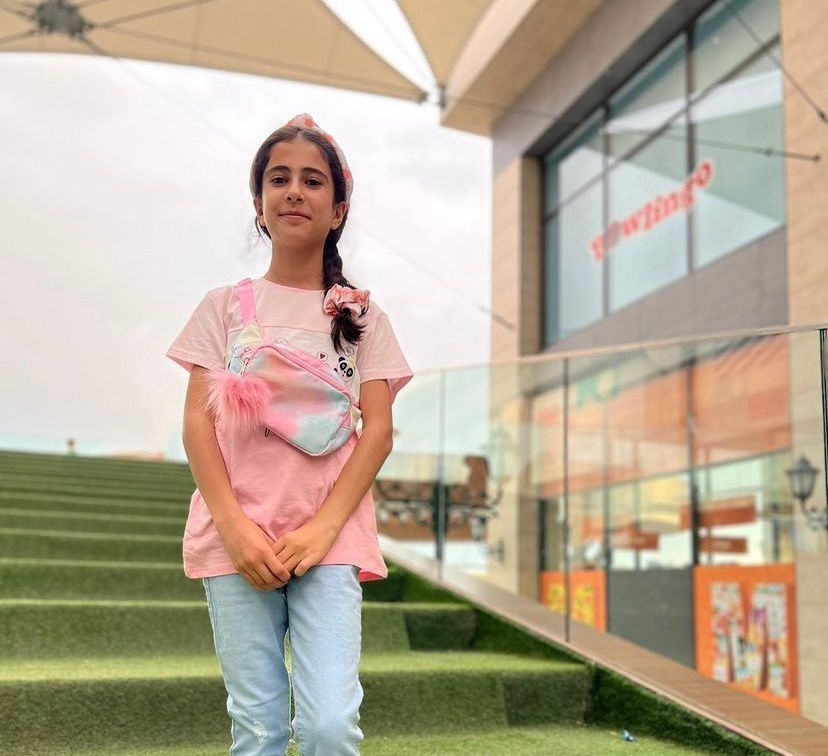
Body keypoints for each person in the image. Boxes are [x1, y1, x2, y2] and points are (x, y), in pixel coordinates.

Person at [165, 113, 414, 755]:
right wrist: (234, 528)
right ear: (259, 204)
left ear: (339, 210)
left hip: (328, 538)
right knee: (258, 726)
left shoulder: (363, 317)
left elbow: (378, 431)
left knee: (331, 724)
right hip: (237, 539)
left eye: (313, 180)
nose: (295, 191)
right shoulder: (223, 307)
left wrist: (324, 528)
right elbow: (197, 425)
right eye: (279, 179)